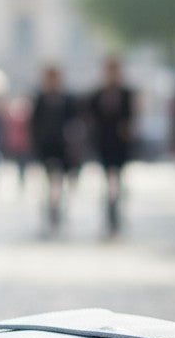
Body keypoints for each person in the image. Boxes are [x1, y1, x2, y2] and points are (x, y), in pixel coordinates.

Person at [87, 56, 135, 236]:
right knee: (108, 180)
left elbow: (131, 117)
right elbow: (90, 117)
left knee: (119, 179)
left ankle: (117, 212)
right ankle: (109, 212)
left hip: (121, 145)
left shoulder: (126, 93)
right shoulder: (97, 94)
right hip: (104, 144)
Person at [29, 64, 81, 231]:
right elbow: (34, 125)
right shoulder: (39, 99)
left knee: (60, 180)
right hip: (46, 147)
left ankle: (58, 206)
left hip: (64, 147)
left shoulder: (68, 100)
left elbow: (75, 124)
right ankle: (51, 207)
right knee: (50, 179)